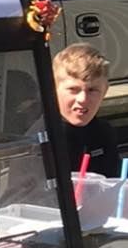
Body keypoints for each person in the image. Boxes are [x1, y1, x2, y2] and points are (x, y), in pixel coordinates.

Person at [51, 43, 121, 177]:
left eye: (92, 90)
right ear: (53, 90)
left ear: (105, 91)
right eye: (73, 89)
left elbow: (113, 181)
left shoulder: (103, 133)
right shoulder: (43, 139)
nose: (83, 99)